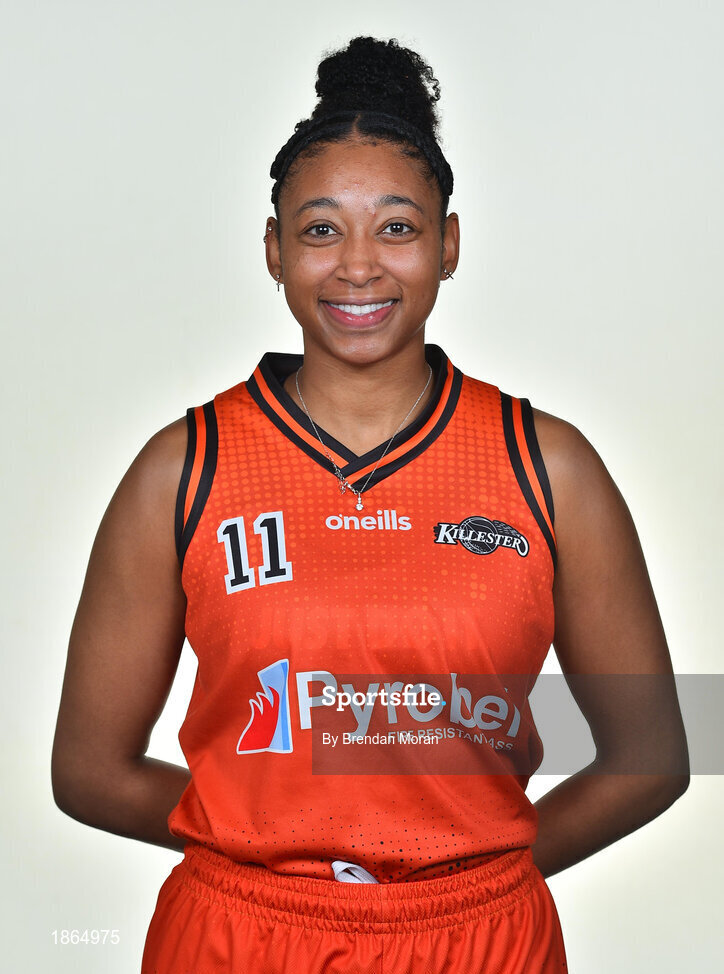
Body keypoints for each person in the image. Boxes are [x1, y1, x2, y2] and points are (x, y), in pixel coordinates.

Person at [51, 35, 690, 974]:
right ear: (273, 249)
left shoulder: (548, 467)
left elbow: (654, 755)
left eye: (397, 227)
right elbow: (87, 772)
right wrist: (263, 836)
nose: (359, 266)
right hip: (239, 932)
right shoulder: (182, 470)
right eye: (319, 229)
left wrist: (468, 869)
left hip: (479, 936)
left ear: (449, 243)